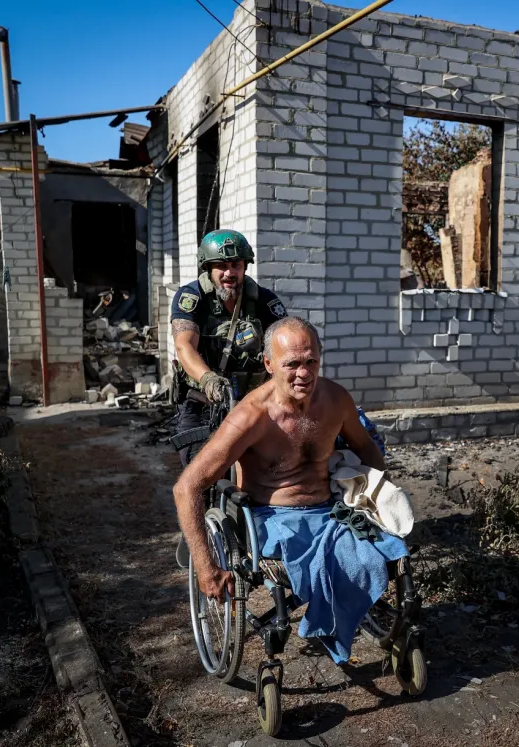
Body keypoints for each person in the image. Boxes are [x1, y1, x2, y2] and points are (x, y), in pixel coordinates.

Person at [172, 317, 408, 662]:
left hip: (330, 511)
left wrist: (377, 491)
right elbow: (187, 487)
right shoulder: (251, 416)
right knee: (338, 563)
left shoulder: (335, 400)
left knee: (388, 549)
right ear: (268, 364)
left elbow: (366, 447)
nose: (304, 373)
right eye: (292, 364)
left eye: (311, 361)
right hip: (273, 519)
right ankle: (331, 621)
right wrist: (206, 567)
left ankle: (351, 620)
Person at [170, 229, 287, 465]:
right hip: (202, 404)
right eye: (221, 266)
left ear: (245, 266)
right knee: (200, 472)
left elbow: (285, 343)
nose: (229, 273)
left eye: (236, 265)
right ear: (208, 268)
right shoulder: (192, 298)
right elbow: (185, 346)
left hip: (251, 403)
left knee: (266, 470)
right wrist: (208, 379)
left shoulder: (263, 300)